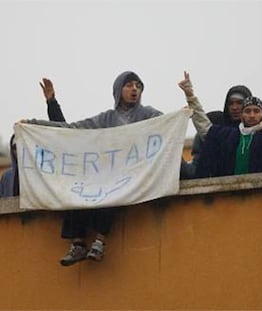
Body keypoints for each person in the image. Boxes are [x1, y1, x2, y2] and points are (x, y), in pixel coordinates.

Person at [30, 71, 164, 266]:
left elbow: (166, 128)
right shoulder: (106, 119)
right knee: (76, 186)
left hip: (132, 177)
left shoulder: (149, 115)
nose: (134, 89)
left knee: (112, 187)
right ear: (118, 90)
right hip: (104, 175)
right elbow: (72, 131)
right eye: (129, 85)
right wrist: (40, 117)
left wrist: (183, 113)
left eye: (138, 85)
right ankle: (78, 244)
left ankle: (100, 240)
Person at [187, 85, 252, 178]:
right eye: (231, 103)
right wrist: (190, 97)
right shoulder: (217, 124)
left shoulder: (258, 132)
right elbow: (203, 124)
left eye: (239, 103)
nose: (234, 107)